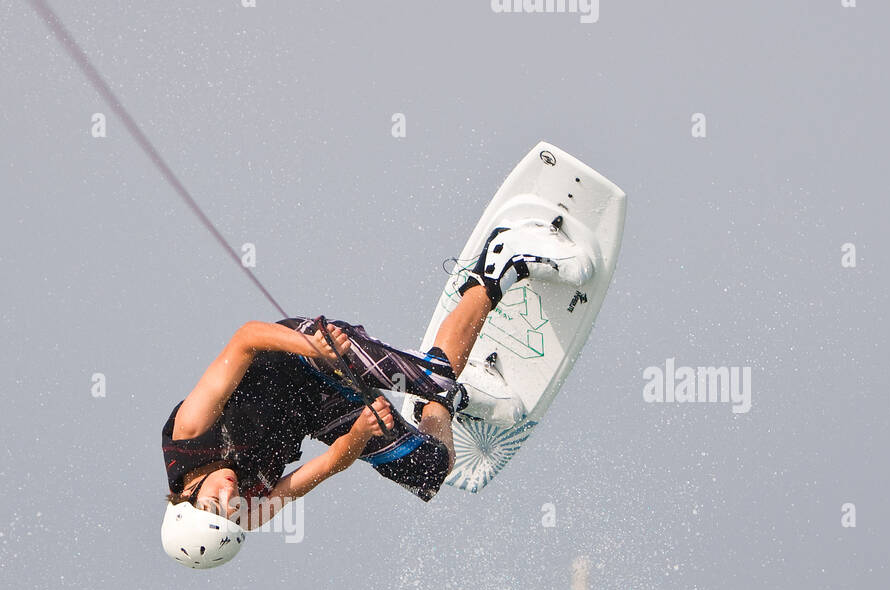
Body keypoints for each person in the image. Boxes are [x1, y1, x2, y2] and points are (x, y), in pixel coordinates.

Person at [160, 219, 593, 568]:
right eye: (229, 511)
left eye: (213, 503)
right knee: (430, 470)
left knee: (434, 375)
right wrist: (362, 433)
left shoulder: (190, 433)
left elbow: (246, 339)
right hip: (322, 409)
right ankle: (448, 399)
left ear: (186, 497)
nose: (229, 497)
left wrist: (313, 345)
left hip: (307, 352)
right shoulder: (251, 512)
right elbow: (330, 464)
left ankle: (501, 260)